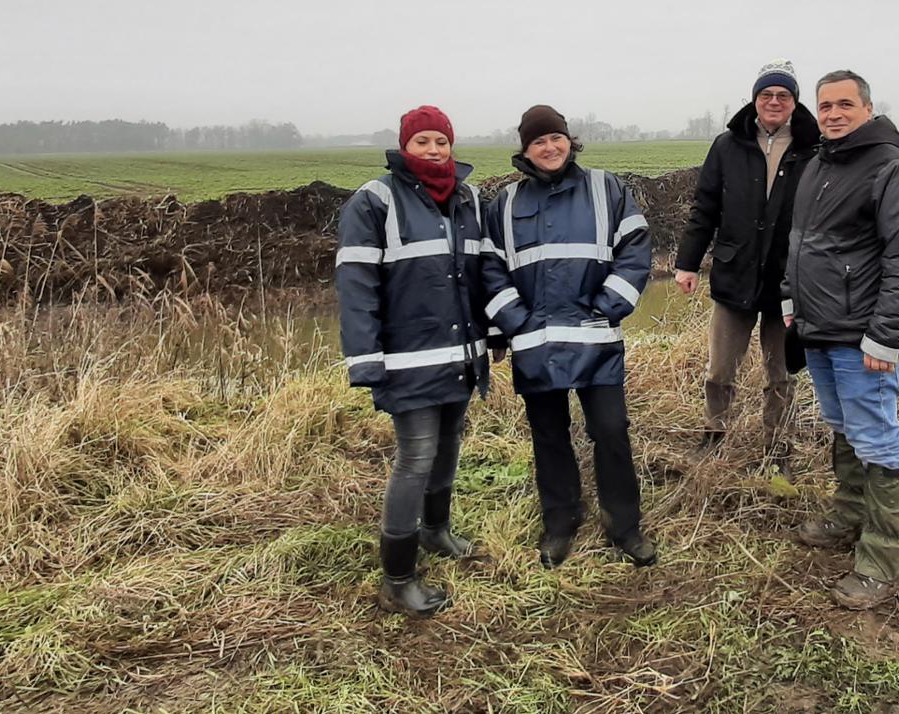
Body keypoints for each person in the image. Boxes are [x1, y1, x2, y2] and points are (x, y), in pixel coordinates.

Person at [481, 104, 658, 569]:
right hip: (536, 343)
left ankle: (625, 526)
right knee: (549, 436)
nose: (549, 147)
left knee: (611, 431)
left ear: (569, 141)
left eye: (555, 138)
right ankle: (560, 523)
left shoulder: (606, 188)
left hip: (596, 338)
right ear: (525, 150)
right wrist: (513, 321)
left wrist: (609, 305)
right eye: (538, 141)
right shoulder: (505, 204)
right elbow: (489, 268)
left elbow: (636, 250)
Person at [781, 71, 899, 610]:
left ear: (868, 108)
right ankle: (849, 517)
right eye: (825, 106)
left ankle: (884, 556)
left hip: (862, 337)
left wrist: (884, 338)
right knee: (843, 427)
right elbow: (800, 244)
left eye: (845, 104)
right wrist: (788, 301)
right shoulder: (820, 163)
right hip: (819, 329)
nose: (834, 113)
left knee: (876, 436)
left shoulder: (893, 169)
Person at [335, 105, 490, 616]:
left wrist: (491, 336)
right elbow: (356, 286)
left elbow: (481, 274)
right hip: (408, 360)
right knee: (415, 459)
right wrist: (365, 359)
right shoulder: (373, 202)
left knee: (449, 448)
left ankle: (436, 531)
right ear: (405, 147)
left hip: (460, 357)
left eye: (441, 142)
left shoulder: (467, 198)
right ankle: (398, 578)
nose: (433, 151)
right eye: (422, 142)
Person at [674, 59, 821, 466]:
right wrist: (687, 263)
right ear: (754, 100)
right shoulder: (728, 145)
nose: (774, 102)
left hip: (788, 279)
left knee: (781, 374)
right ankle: (714, 432)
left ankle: (777, 445)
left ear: (794, 102)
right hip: (734, 273)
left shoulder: (814, 147)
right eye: (766, 94)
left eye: (783, 95)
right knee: (720, 370)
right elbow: (704, 207)